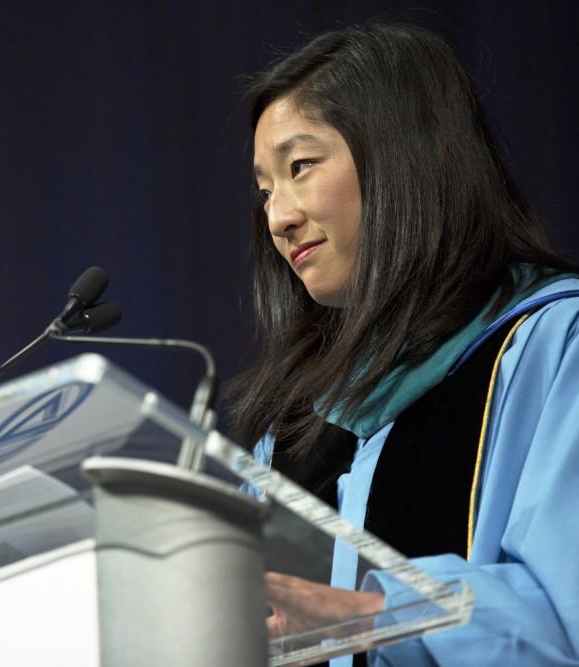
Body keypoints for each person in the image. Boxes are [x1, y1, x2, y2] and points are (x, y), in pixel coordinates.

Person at [225, 23, 579, 666]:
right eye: (265, 191)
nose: (277, 217)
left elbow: (565, 624)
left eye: (299, 167)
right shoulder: (300, 424)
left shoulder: (555, 349)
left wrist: (366, 613)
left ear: (408, 153)